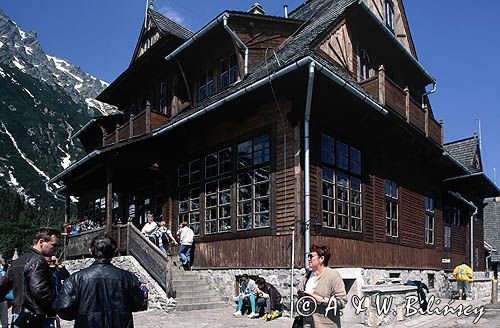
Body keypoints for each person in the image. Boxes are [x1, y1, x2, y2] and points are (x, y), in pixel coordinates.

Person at [53, 235, 146, 328]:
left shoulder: (77, 278)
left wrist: (81, 314)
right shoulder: (128, 278)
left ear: (90, 251)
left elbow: (62, 307)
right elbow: (139, 303)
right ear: (114, 252)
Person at [0, 227, 59, 328]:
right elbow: (40, 292)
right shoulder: (38, 260)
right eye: (53, 245)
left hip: (18, 314)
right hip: (36, 317)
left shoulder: (18, 262)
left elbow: (3, 285)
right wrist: (57, 306)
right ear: (41, 242)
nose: (55, 248)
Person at [298, 244, 347, 328]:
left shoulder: (333, 276)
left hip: (327, 324)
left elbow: (342, 302)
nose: (308, 259)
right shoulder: (307, 275)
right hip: (307, 323)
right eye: (308, 256)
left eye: (311, 256)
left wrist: (320, 299)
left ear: (321, 259)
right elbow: (300, 293)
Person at [0, 257, 7, 328]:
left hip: (2, 299)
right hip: (2, 298)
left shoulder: (3, 271)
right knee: (4, 323)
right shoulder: (3, 271)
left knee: (4, 323)